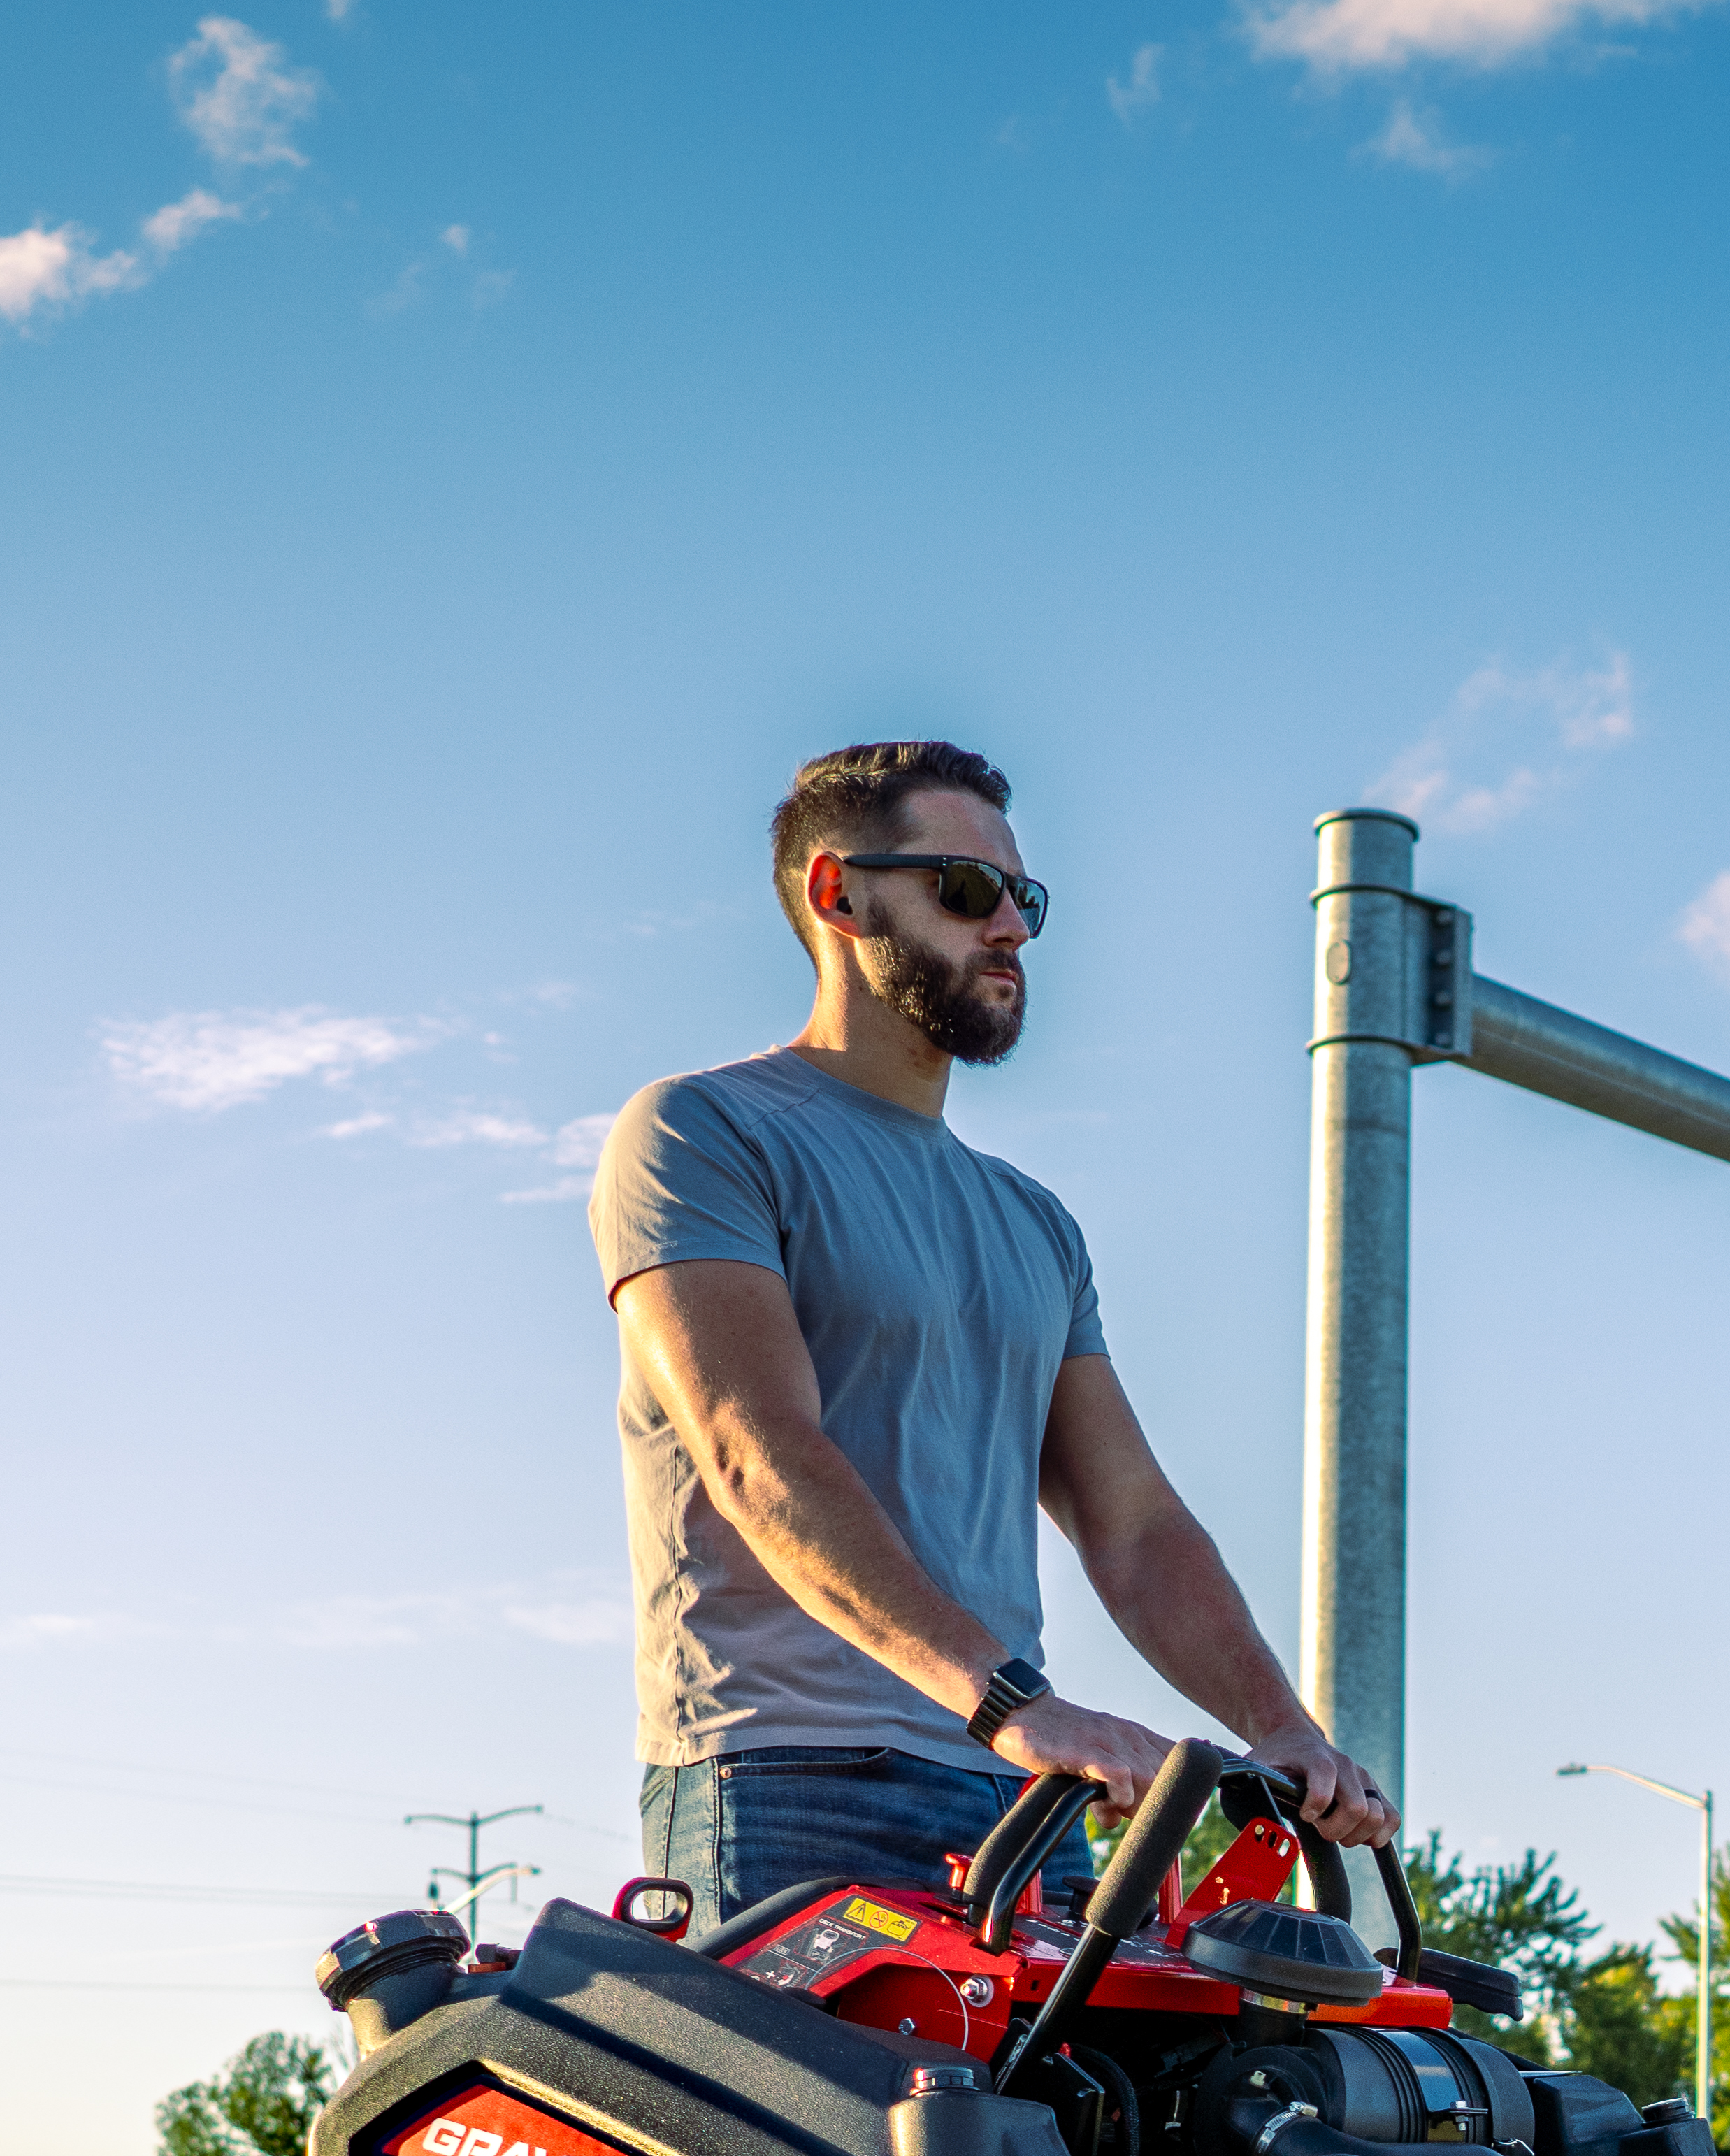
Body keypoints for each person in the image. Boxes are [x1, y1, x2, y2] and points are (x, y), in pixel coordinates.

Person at [592, 737, 1392, 1933]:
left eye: (1025, 898)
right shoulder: (704, 1133)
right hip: (789, 1777)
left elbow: (1135, 1525)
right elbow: (754, 1451)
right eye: (967, 890)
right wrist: (1012, 1702)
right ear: (838, 894)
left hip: (1021, 1799)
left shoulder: (1035, 1224)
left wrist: (1280, 1727)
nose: (1011, 927)